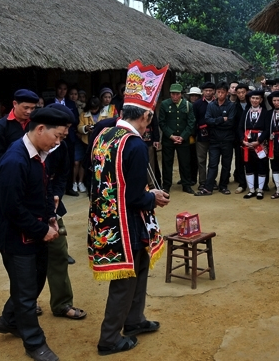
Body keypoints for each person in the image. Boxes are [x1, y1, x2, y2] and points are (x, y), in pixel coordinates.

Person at [89, 64, 170, 356]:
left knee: (139, 269)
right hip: (126, 225)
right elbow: (136, 196)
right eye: (151, 116)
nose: (151, 121)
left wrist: (145, 195)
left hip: (106, 220)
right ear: (146, 114)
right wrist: (154, 198)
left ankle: (134, 321)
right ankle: (109, 339)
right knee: (125, 280)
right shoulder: (134, 145)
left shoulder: (104, 136)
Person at [0, 107, 71, 361]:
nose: (58, 143)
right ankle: (34, 343)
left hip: (34, 230)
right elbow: (12, 208)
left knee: (34, 283)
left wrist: (50, 218)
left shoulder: (40, 155)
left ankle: (8, 320)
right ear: (39, 129)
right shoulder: (15, 160)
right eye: (57, 136)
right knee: (26, 292)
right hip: (15, 237)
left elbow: (45, 191)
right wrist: (42, 229)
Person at [43, 103, 87, 319]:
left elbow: (62, 174)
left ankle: (62, 304)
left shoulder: (63, 146)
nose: (67, 134)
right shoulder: (25, 148)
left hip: (54, 208)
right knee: (28, 261)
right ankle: (23, 305)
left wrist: (57, 194)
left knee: (59, 253)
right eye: (64, 129)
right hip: (32, 212)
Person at [196, 82, 237, 196]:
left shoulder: (231, 105)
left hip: (227, 139)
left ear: (227, 92)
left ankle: (223, 186)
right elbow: (208, 120)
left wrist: (216, 122)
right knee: (212, 164)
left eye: (222, 92)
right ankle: (208, 187)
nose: (220, 94)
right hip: (214, 140)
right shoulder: (211, 105)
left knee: (226, 164)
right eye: (218, 92)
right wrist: (221, 119)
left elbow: (230, 123)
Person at [158, 83, 195, 194]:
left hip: (183, 139)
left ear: (181, 95)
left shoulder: (188, 105)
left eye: (177, 94)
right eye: (172, 94)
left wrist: (183, 137)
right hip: (168, 139)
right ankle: (166, 185)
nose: (174, 97)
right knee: (167, 163)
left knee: (185, 162)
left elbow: (191, 122)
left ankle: (186, 184)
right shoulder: (164, 104)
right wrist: (171, 136)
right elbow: (162, 122)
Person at [0, 89, 39, 163]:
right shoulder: (0, 126)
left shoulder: (36, 123)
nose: (29, 112)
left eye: (32, 108)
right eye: (26, 108)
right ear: (15, 104)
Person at [238, 90, 268, 199]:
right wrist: (242, 140)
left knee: (261, 166)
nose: (255, 100)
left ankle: (260, 190)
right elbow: (240, 127)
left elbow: (267, 129)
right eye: (253, 98)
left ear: (261, 100)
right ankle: (251, 190)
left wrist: (259, 141)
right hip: (247, 142)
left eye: (257, 98)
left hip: (260, 143)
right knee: (248, 166)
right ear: (249, 99)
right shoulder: (246, 112)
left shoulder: (265, 112)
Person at [193, 82, 216, 190]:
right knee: (201, 160)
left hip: (215, 136)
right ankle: (202, 181)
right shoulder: (197, 104)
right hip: (201, 137)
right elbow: (194, 121)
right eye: (206, 90)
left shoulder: (218, 103)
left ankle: (212, 180)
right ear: (202, 92)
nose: (208, 92)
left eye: (210, 90)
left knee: (213, 160)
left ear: (213, 91)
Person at [232, 83, 250, 194]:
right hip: (239, 138)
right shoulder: (234, 106)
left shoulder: (253, 104)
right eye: (239, 93)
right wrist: (240, 137)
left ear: (247, 92)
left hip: (253, 138)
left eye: (243, 92)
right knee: (239, 161)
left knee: (253, 161)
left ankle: (258, 184)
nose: (241, 95)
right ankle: (242, 183)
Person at [186, 87, 203, 186]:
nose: (194, 97)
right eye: (192, 95)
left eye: (196, 95)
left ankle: (193, 178)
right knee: (186, 157)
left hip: (197, 134)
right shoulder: (187, 105)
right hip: (188, 135)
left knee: (194, 157)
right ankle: (186, 177)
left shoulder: (200, 105)